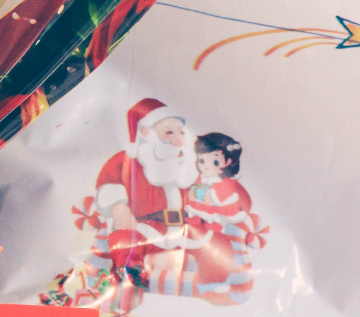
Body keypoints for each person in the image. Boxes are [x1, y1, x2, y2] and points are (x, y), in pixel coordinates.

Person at [92, 97, 198, 281]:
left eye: (181, 132)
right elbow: (107, 186)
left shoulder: (181, 165)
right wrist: (118, 207)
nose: (179, 140)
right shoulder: (128, 161)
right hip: (140, 230)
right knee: (126, 239)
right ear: (145, 132)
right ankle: (130, 273)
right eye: (169, 133)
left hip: (177, 234)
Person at [184, 132, 256, 305]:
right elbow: (194, 196)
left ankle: (213, 284)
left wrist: (206, 200)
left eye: (215, 162)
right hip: (200, 221)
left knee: (218, 252)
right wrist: (193, 198)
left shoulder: (226, 184)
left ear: (228, 162)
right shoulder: (202, 179)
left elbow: (222, 202)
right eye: (202, 161)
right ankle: (197, 277)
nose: (206, 166)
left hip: (220, 222)